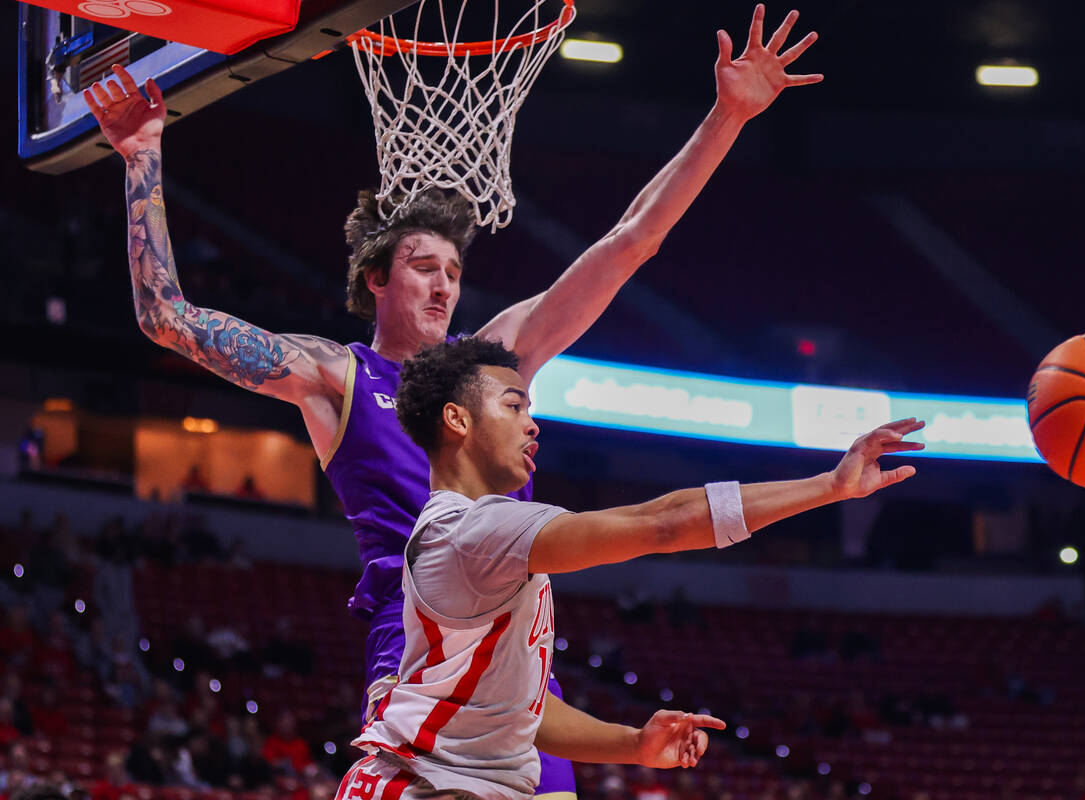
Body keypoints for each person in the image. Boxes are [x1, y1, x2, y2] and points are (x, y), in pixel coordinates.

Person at [83, 6, 824, 798]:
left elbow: (630, 241)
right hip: (415, 663)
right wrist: (142, 155)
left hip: (515, 669)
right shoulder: (338, 377)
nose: (444, 285)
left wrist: (727, 116)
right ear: (377, 279)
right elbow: (168, 319)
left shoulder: (494, 365)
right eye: (423, 267)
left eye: (454, 271)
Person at [339, 337, 921, 799]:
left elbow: (521, 712)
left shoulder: (470, 533)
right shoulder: (475, 531)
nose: (532, 424)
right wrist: (827, 486)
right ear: (457, 421)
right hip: (423, 786)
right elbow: (663, 523)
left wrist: (636, 744)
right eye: (514, 406)